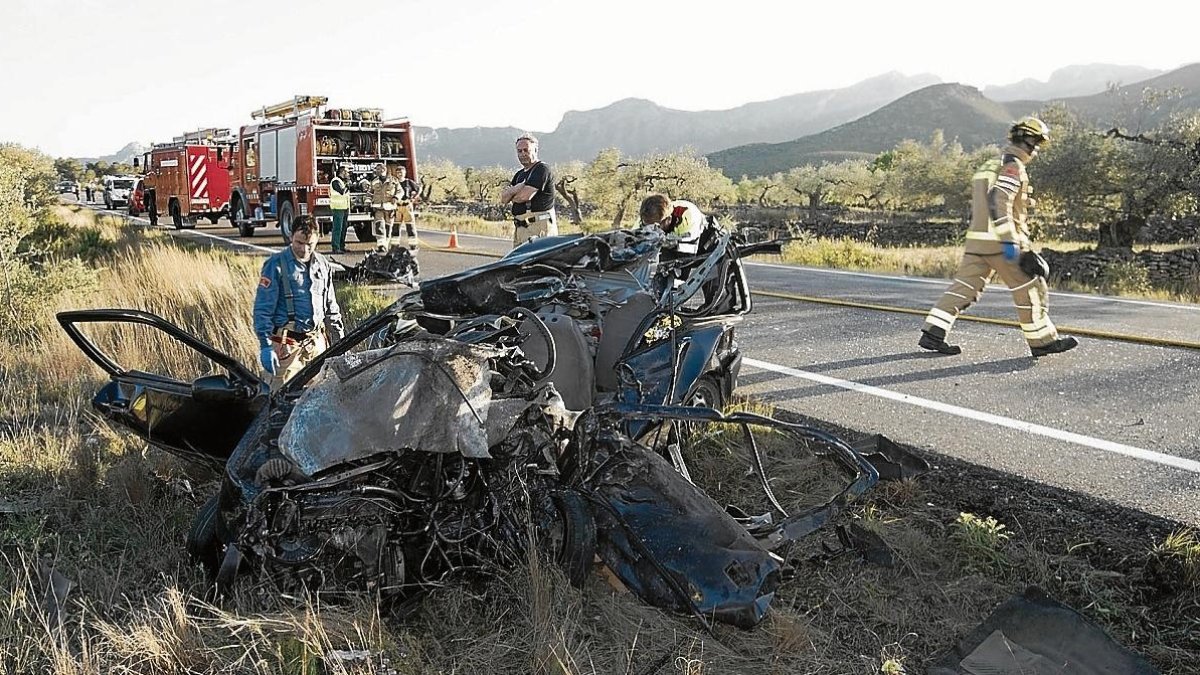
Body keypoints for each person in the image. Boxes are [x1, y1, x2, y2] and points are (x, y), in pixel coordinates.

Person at [919, 117, 1078, 358]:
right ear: (1027, 140)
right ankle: (1042, 341)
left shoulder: (989, 165)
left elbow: (987, 200)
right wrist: (1010, 239)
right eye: (1036, 144)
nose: (1036, 150)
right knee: (1030, 286)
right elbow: (998, 200)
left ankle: (933, 332)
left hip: (977, 241)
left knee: (964, 288)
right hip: (1000, 243)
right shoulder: (1013, 166)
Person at [253, 216, 345, 390]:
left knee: (319, 396)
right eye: (299, 243)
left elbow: (331, 308)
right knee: (280, 397)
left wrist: (341, 344)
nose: (304, 249)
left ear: (318, 239)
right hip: (286, 348)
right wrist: (266, 346)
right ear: (291, 237)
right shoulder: (275, 265)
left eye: (310, 244)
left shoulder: (323, 265)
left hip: (316, 347)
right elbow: (262, 311)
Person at [500, 134, 557, 247]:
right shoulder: (519, 175)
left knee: (537, 258)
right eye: (519, 151)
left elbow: (524, 196)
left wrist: (512, 194)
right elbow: (504, 198)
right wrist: (517, 188)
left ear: (535, 150)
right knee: (518, 258)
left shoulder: (542, 169)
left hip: (538, 228)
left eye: (526, 150)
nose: (523, 154)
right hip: (521, 229)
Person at [639, 193, 707, 254]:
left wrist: (666, 242)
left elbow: (687, 247)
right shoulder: (647, 216)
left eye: (655, 226)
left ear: (668, 219)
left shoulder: (685, 222)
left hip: (696, 236)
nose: (650, 229)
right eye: (646, 225)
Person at [366, 162, 399, 250]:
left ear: (383, 170)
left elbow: (400, 191)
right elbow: (369, 193)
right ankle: (381, 245)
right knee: (379, 226)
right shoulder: (374, 181)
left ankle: (385, 244)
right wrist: (367, 203)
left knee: (388, 227)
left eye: (378, 169)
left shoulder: (394, 180)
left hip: (390, 209)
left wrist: (396, 197)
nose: (376, 171)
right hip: (378, 209)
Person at [394, 165, 421, 250]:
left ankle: (413, 245)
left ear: (405, 173)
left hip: (407, 206)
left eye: (401, 172)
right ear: (396, 174)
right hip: (397, 207)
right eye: (398, 172)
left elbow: (419, 189)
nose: (400, 174)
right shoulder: (394, 183)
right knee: (395, 228)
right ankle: (394, 245)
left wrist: (414, 197)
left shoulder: (409, 182)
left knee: (410, 227)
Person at [329, 164, 352, 253]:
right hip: (338, 208)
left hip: (345, 208)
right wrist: (348, 185)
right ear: (342, 172)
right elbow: (342, 191)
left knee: (344, 228)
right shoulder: (335, 181)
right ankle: (336, 247)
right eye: (347, 172)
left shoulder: (342, 181)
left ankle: (342, 246)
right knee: (338, 228)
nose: (348, 174)